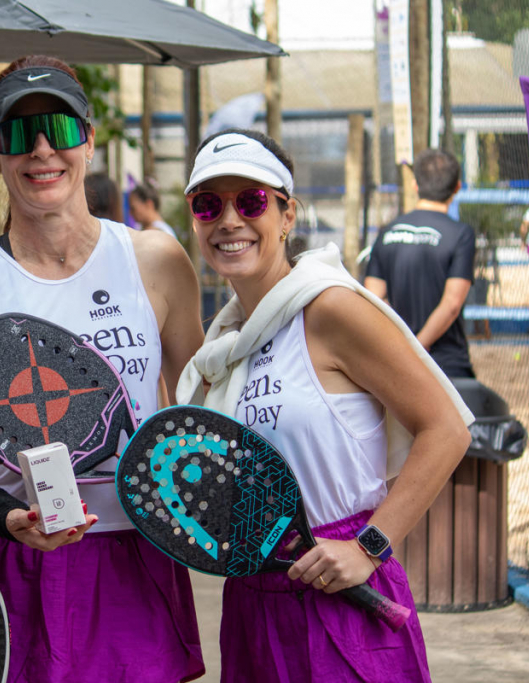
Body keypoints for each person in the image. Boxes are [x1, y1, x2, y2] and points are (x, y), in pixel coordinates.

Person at [0, 56, 207, 683]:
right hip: (10, 556)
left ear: (89, 138)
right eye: (20, 134)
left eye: (59, 127)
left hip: (138, 549)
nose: (42, 150)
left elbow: (202, 405)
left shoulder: (155, 260)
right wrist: (3, 516)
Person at [176, 129, 474, 682]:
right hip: (254, 600)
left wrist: (370, 547)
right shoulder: (225, 346)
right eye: (209, 204)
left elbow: (447, 428)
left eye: (252, 201)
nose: (229, 221)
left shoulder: (330, 308)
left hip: (343, 595)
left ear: (287, 215)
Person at [364, 148, 476, 378]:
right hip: (447, 364)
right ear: (457, 187)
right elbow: (452, 303)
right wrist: (419, 347)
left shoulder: (388, 232)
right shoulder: (461, 234)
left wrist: (404, 347)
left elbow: (373, 298)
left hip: (397, 362)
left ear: (415, 185)